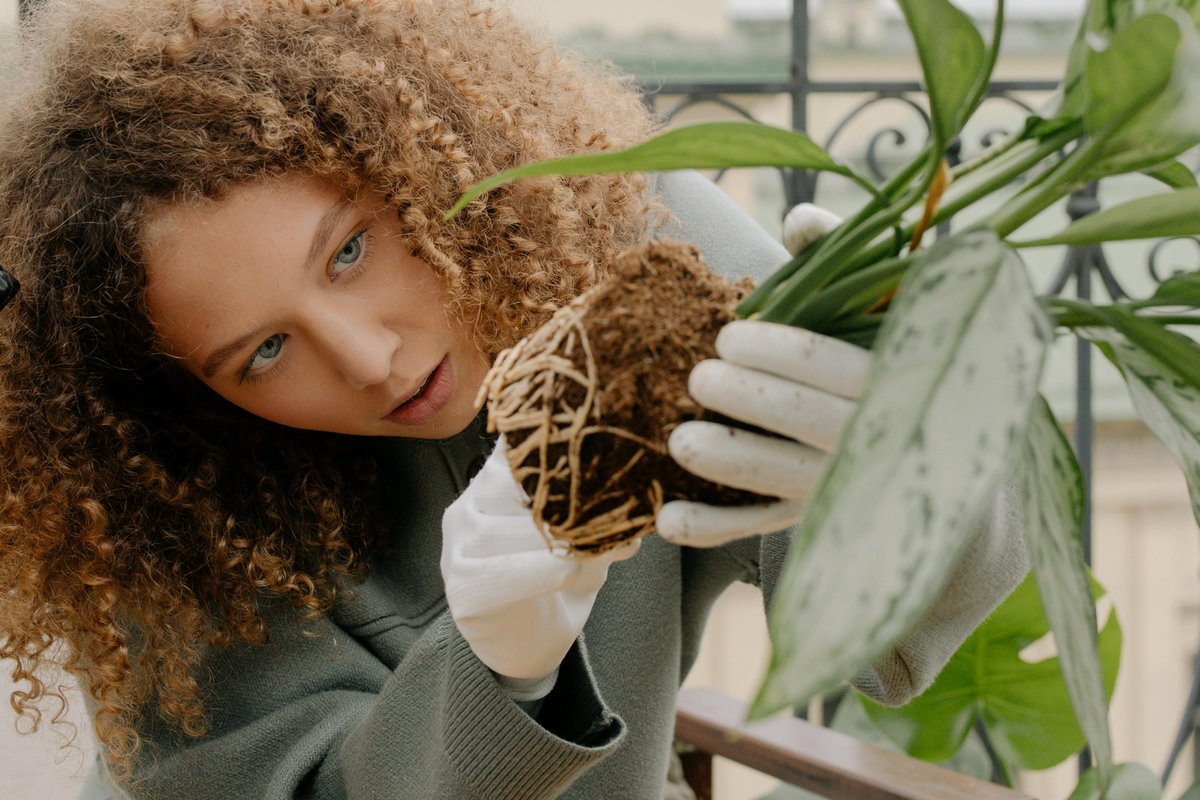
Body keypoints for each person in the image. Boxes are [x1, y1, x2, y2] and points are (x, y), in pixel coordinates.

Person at [0, 1, 1030, 798]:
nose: (369, 359)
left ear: (405, 148)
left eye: (350, 250)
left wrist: (909, 449)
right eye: (264, 350)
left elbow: (898, 627)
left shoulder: (636, 256)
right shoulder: (151, 501)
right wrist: (504, 676)